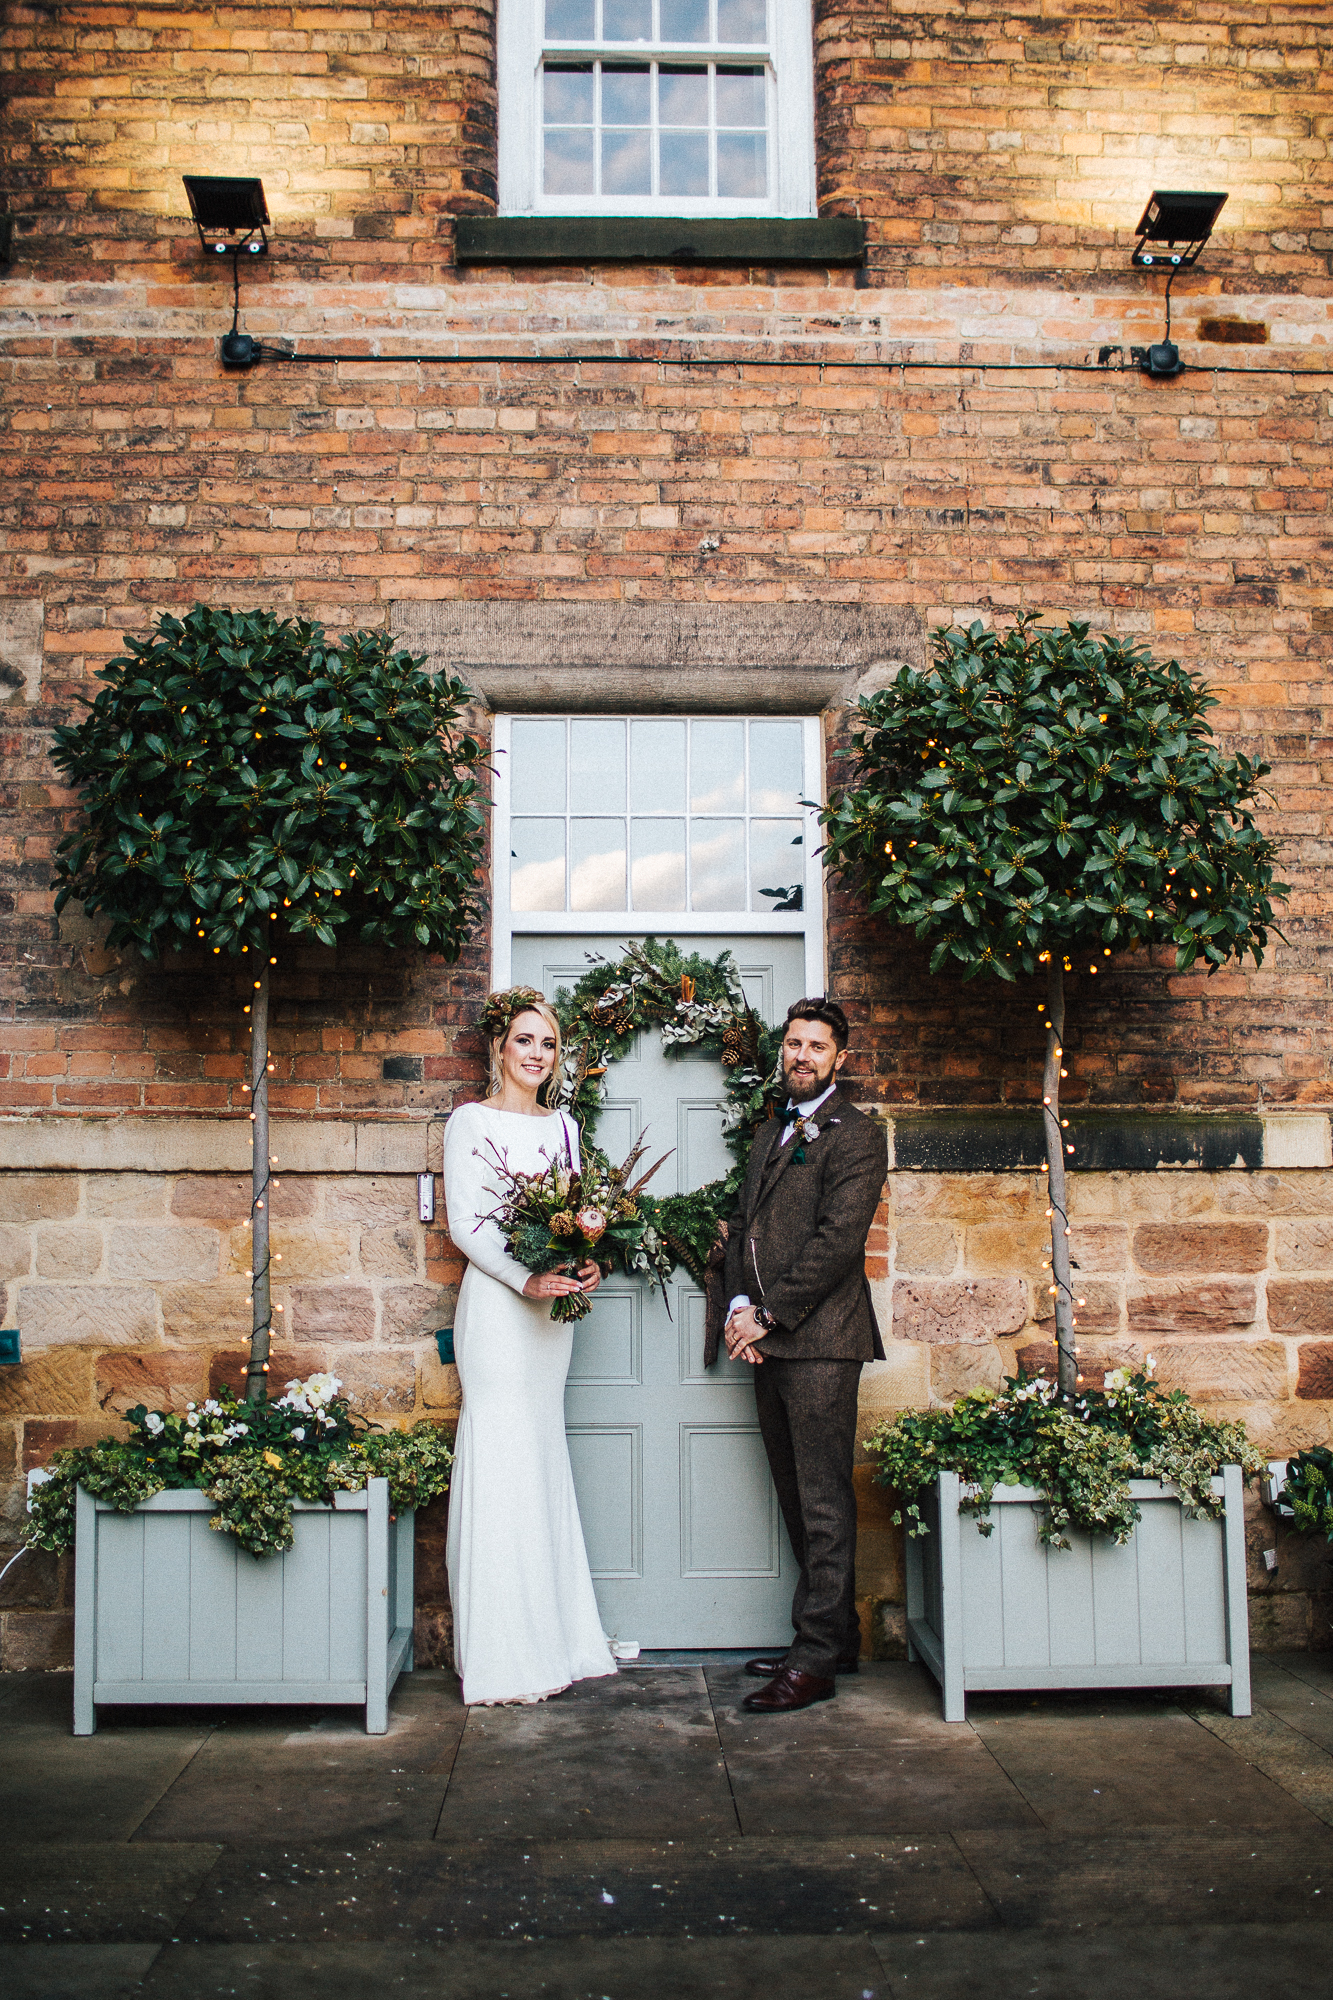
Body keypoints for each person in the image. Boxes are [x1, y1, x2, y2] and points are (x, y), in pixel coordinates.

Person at [443, 986, 618, 1706]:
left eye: (547, 1043)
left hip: (551, 1320)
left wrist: (584, 1259)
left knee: (541, 1453)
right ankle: (501, 1653)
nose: (536, 1055)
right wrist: (524, 1279)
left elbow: (573, 1214)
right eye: (524, 1040)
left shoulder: (566, 1127)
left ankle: (558, 1636)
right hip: (498, 1308)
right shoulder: (468, 1121)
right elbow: (465, 1225)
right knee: (501, 1457)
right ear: (499, 1047)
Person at [722, 996, 889, 1714]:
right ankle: (831, 1637)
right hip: (768, 1340)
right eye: (793, 1043)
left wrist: (769, 1314)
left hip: (822, 1342)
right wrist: (737, 1310)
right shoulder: (769, 1132)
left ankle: (815, 1659)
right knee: (793, 1494)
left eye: (817, 1047)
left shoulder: (856, 1135)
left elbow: (836, 1242)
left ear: (838, 1059)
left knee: (822, 1502)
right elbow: (743, 1227)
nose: (802, 1056)